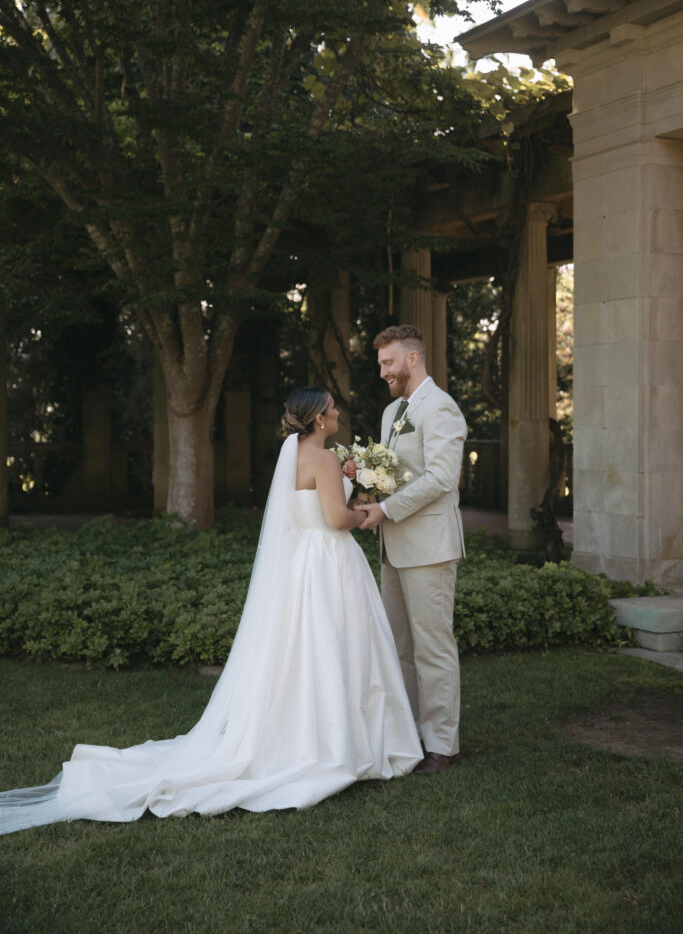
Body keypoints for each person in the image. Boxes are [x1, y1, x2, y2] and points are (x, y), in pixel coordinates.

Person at [0, 388, 421, 836]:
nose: (337, 412)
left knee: (306, 652)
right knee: (337, 647)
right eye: (332, 407)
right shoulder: (324, 458)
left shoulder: (296, 452)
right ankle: (341, 742)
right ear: (318, 418)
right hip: (328, 562)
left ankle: (310, 735)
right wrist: (366, 512)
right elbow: (335, 520)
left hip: (303, 566)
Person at [356, 325, 466, 775]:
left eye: (388, 362)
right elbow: (391, 472)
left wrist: (386, 509)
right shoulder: (390, 412)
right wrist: (360, 483)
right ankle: (410, 734)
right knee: (398, 647)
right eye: (381, 363)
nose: (383, 372)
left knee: (432, 649)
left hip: (429, 546)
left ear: (413, 359)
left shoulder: (440, 408)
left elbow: (442, 477)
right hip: (393, 546)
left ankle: (443, 744)